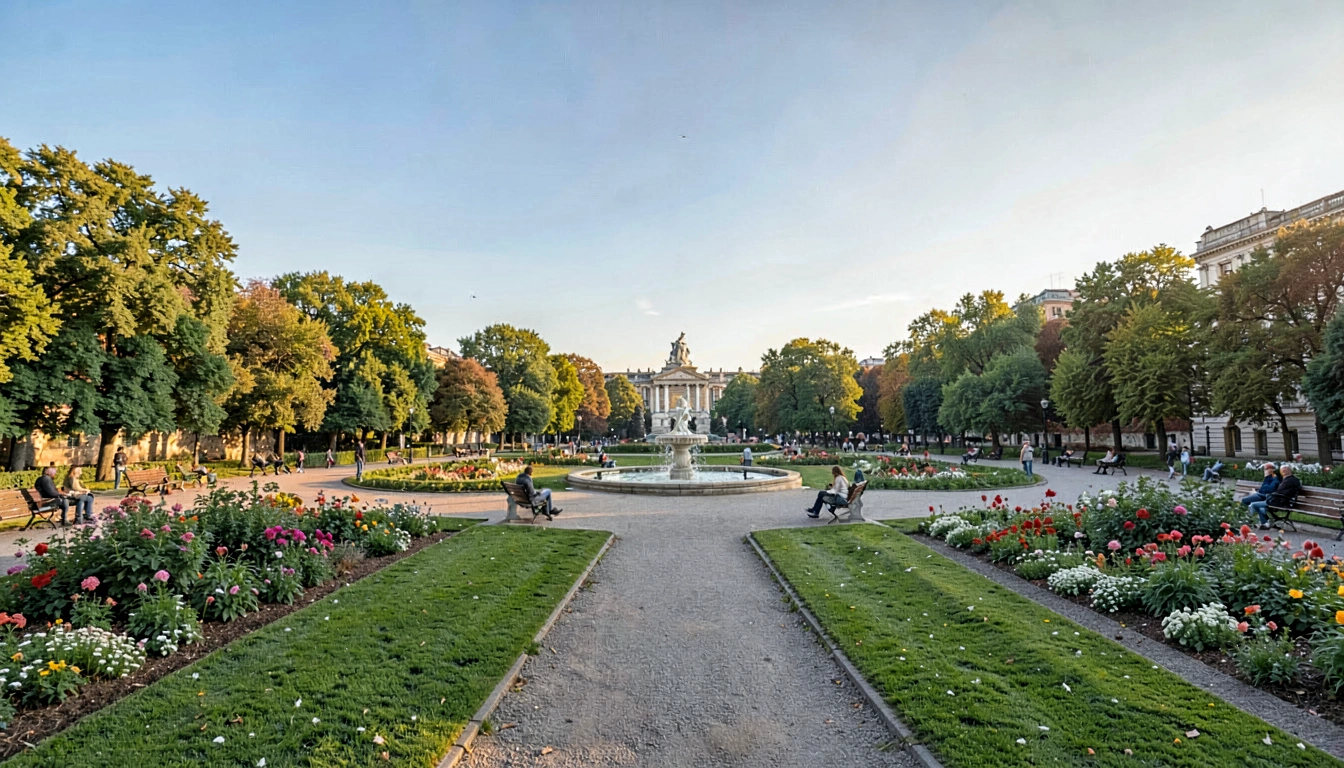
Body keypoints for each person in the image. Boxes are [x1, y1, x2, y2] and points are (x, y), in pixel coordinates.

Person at [1250, 465, 1301, 529]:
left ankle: (1260, 523)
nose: (1283, 472)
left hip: (1281, 502)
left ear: (1289, 470)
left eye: (1285, 470)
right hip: (1281, 500)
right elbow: (1280, 492)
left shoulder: (1290, 480)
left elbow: (1280, 492)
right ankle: (1265, 523)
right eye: (1282, 471)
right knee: (1261, 507)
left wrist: (1269, 495)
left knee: (1253, 505)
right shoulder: (1290, 480)